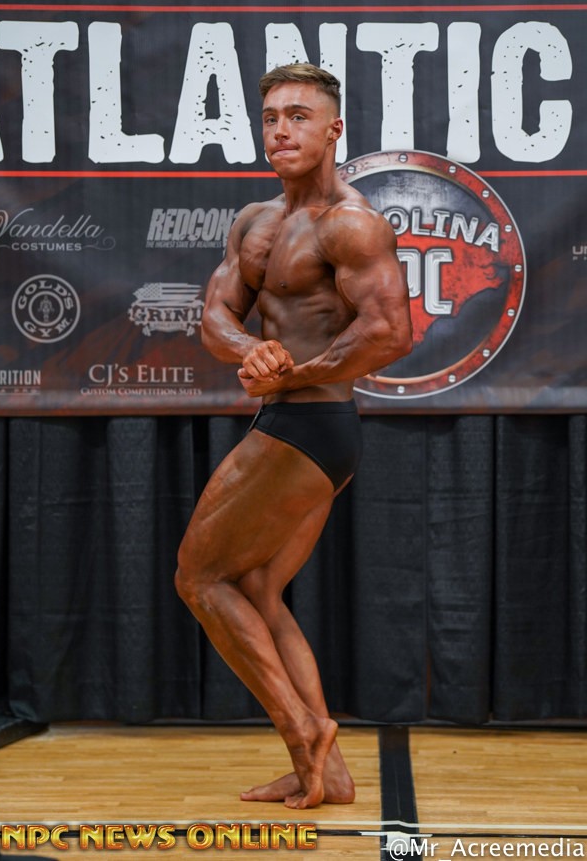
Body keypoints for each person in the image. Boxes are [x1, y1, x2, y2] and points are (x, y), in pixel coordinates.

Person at [175, 62, 412, 810]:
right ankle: (328, 774)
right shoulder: (255, 221)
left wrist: (292, 373)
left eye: (299, 116)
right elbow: (215, 315)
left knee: (199, 578)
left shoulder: (351, 223)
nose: (281, 130)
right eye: (272, 117)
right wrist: (254, 352)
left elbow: (390, 332)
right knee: (256, 588)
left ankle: (305, 729)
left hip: (311, 425)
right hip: (294, 421)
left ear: (334, 129)